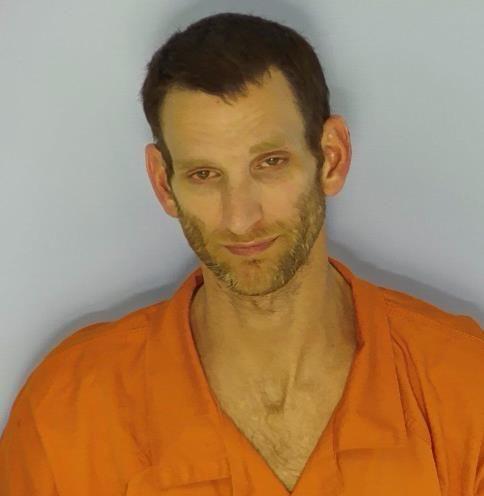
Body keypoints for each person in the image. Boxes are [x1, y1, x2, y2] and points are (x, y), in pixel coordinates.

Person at [0, 11, 482, 496]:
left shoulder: (467, 386)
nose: (240, 218)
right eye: (204, 174)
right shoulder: (66, 414)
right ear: (164, 184)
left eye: (270, 163)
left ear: (331, 158)